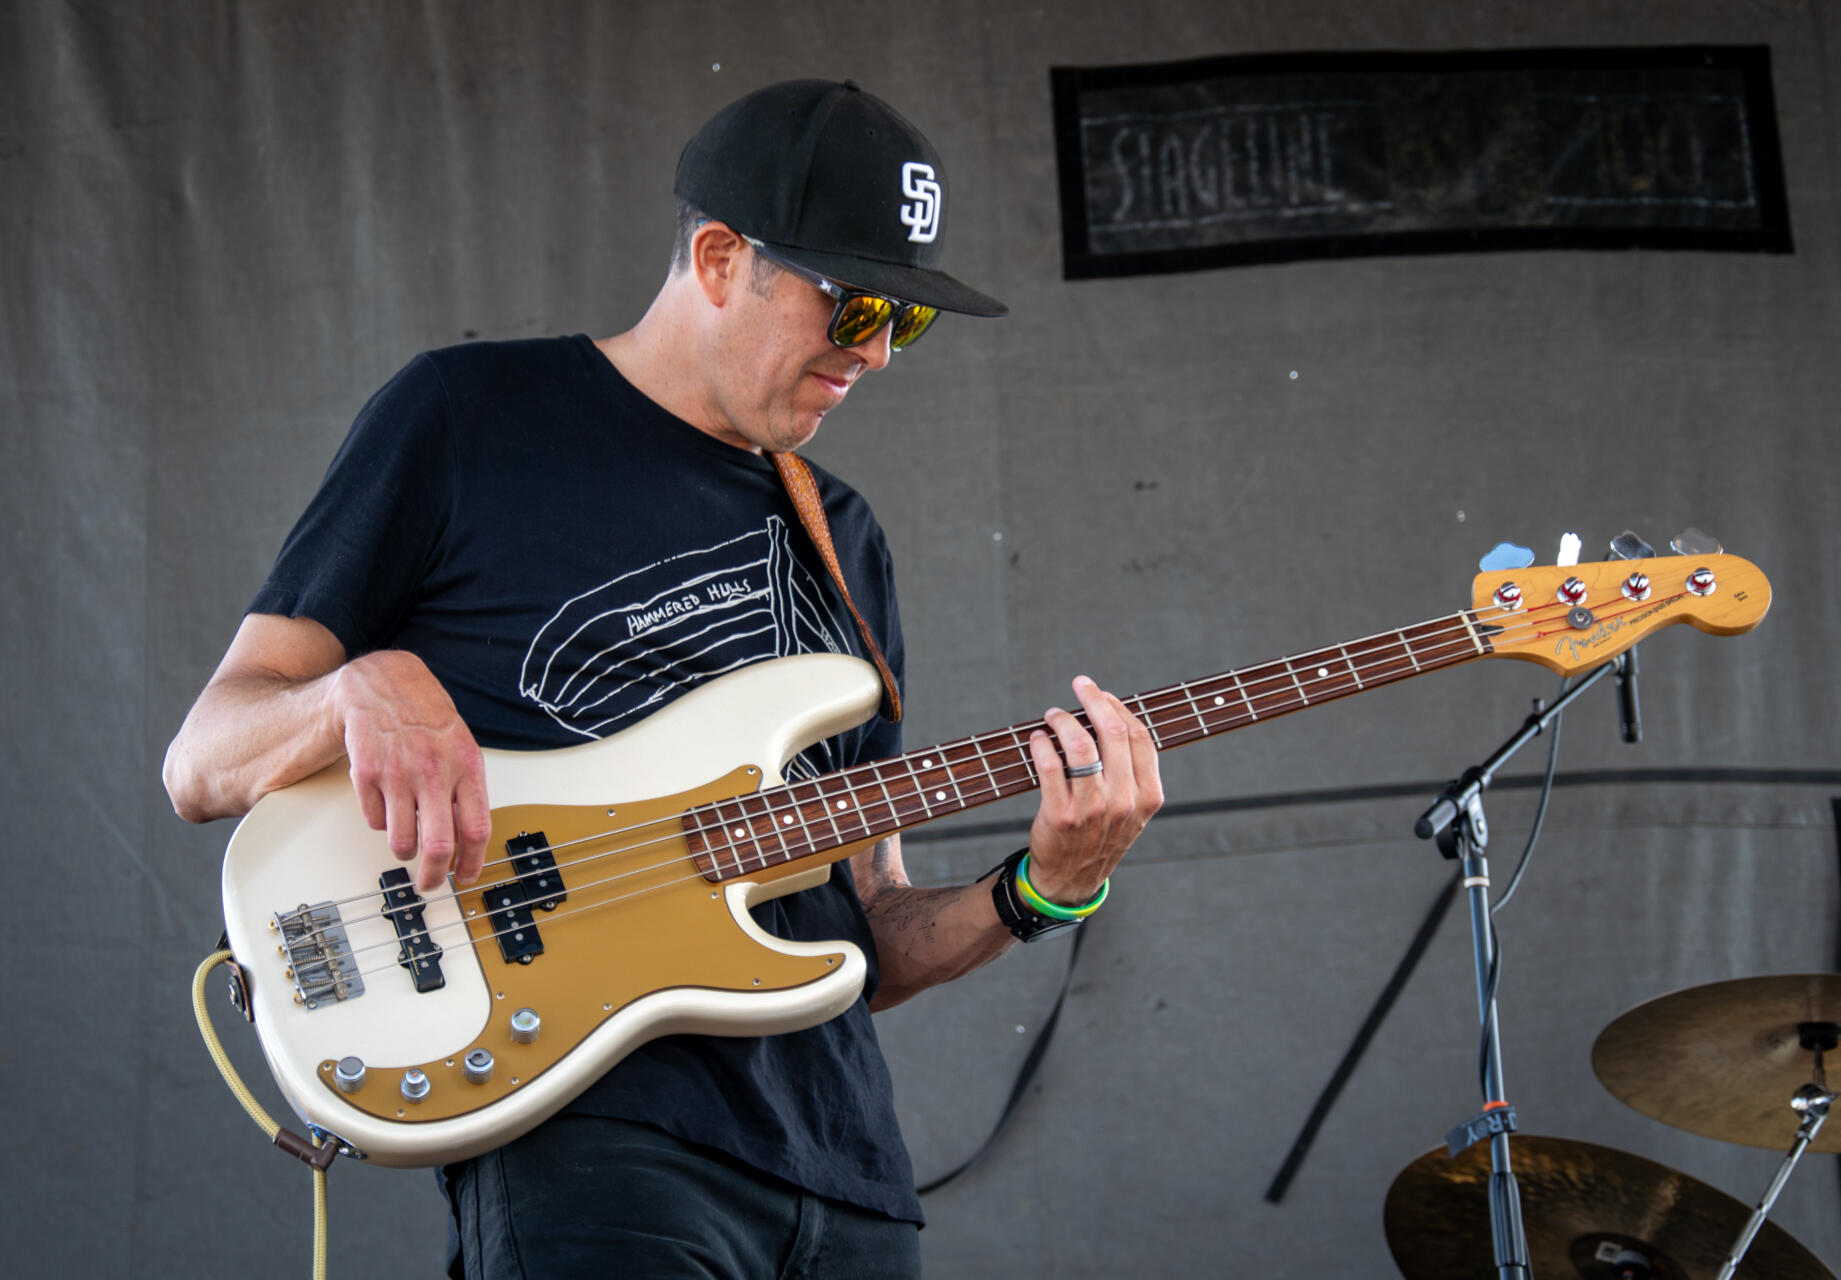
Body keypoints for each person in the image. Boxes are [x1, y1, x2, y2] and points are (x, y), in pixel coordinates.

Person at [164, 78, 1162, 1278]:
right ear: (721, 256)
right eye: (857, 308)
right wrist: (349, 688)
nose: (881, 353)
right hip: (596, 1147)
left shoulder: (844, 536)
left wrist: (1043, 890)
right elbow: (202, 758)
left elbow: (868, 929)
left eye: (912, 321)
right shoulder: (470, 416)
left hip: (844, 1172)